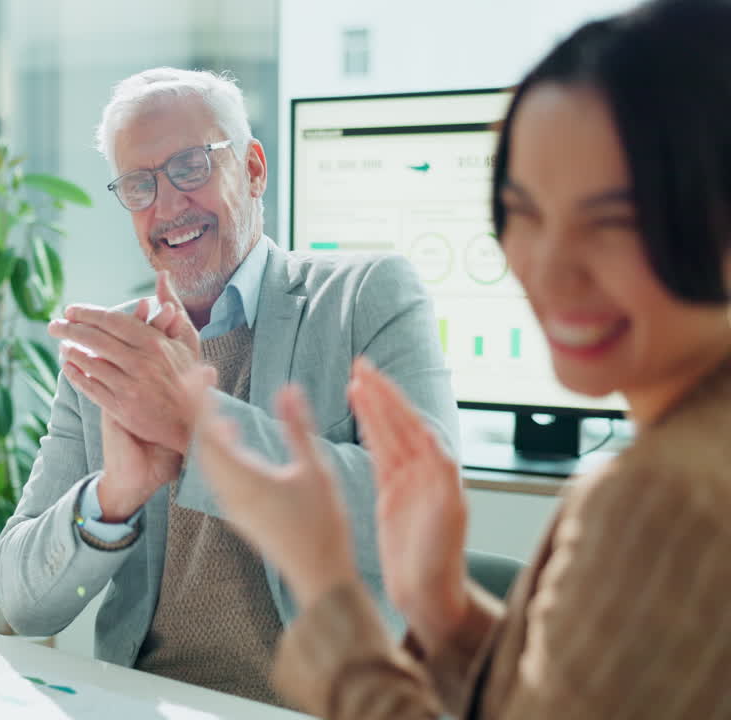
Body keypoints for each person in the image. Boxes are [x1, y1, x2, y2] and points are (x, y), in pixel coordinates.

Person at [188, 0, 731, 717]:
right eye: (524, 212)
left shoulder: (659, 497)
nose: (550, 270)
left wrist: (324, 585)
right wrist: (440, 609)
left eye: (614, 221)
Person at [0, 67, 459, 704]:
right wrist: (113, 497)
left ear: (254, 169)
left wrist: (198, 426)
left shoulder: (365, 297)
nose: (167, 205)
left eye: (190, 165)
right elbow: (25, 604)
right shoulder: (116, 360)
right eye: (139, 184)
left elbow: (426, 514)